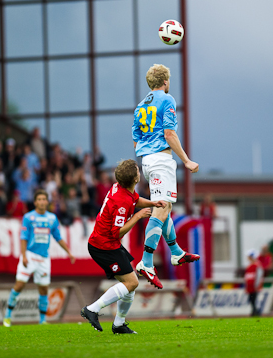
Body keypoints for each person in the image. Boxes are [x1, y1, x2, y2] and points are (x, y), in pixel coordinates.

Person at [132, 64, 200, 289]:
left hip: (147, 161)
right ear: (166, 81)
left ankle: (176, 252)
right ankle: (146, 261)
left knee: (166, 207)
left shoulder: (140, 106)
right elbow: (169, 133)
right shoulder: (167, 100)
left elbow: (136, 139)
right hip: (161, 160)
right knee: (161, 208)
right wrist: (187, 160)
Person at [80, 159, 163, 334]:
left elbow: (134, 199)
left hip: (107, 244)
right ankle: (92, 309)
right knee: (131, 282)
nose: (140, 172)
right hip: (103, 246)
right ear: (135, 179)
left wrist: (152, 203)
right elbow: (116, 232)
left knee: (130, 281)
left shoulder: (122, 188)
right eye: (137, 171)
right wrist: (138, 216)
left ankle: (119, 324)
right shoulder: (122, 201)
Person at [3, 190, 75, 327]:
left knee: (43, 289)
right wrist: (24, 255)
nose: (42, 202)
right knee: (19, 285)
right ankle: (7, 316)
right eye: (39, 199)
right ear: (35, 202)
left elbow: (58, 237)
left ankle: (42, 320)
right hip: (29, 256)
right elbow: (23, 237)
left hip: (44, 259)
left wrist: (69, 252)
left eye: (44, 199)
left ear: (47, 202)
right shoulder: (29, 217)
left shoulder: (52, 218)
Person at [244, 249, 264, 316]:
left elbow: (258, 276)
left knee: (254, 299)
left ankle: (256, 311)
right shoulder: (249, 266)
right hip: (249, 286)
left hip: (254, 286)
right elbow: (247, 276)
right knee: (251, 299)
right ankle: (254, 311)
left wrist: (257, 285)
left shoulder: (257, 265)